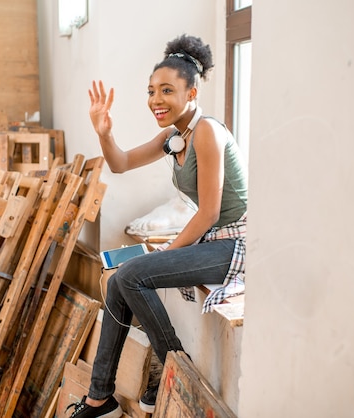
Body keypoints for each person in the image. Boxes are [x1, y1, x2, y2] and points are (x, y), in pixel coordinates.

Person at [66, 34, 248, 418]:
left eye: (167, 90)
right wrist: (104, 133)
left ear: (192, 93)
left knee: (131, 275)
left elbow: (210, 213)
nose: (155, 100)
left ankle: (170, 369)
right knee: (119, 280)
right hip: (213, 240)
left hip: (237, 244)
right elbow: (120, 163)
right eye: (151, 91)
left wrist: (168, 251)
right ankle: (101, 398)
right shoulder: (173, 136)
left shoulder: (209, 133)